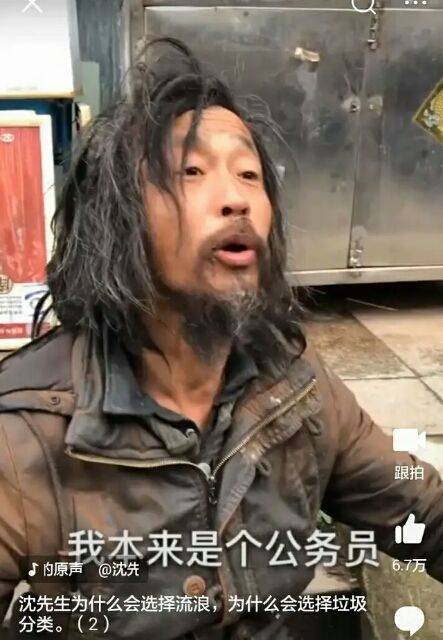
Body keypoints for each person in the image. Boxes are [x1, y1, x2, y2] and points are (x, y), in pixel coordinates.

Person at [0, 38, 441, 639]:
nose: (236, 199)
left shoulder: (294, 385)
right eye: (192, 172)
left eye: (249, 174)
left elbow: (421, 510)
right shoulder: (26, 434)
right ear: (117, 217)